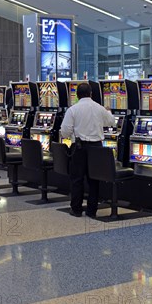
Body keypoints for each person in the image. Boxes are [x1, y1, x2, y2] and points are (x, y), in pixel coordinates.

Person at [60, 83, 115, 218]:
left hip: (79, 147)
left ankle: (76, 209)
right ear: (91, 94)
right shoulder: (99, 108)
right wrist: (108, 111)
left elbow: (65, 132)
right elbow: (112, 122)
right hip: (97, 147)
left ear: (77, 95)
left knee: (77, 179)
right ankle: (92, 210)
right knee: (94, 179)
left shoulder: (73, 110)